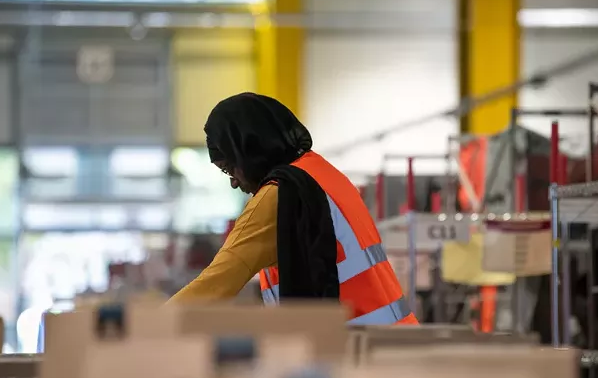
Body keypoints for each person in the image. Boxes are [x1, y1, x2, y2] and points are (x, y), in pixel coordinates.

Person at [169, 93, 417, 325]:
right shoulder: (324, 174)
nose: (233, 182)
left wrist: (145, 326)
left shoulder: (280, 195)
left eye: (229, 168)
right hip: (396, 339)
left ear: (250, 150)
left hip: (363, 349)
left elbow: (215, 285)